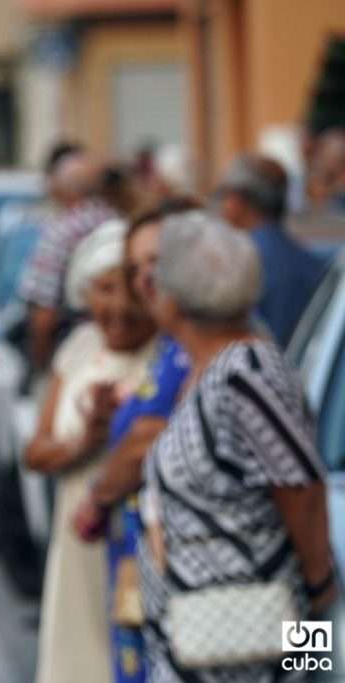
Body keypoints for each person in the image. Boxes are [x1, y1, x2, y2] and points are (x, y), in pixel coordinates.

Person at [138, 211, 336, 682]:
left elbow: (302, 487)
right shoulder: (206, 369)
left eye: (156, 274)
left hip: (255, 646)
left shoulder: (247, 369)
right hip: (201, 642)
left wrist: (320, 594)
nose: (147, 285)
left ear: (178, 297)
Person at [69, 196, 202, 683]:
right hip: (141, 566)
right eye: (136, 266)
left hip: (185, 576)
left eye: (157, 262)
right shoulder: (172, 342)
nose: (144, 278)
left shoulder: (202, 344)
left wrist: (98, 494)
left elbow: (153, 437)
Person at [24, 218, 157, 683]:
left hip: (142, 546)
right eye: (104, 288)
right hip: (77, 540)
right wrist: (87, 441)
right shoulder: (79, 347)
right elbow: (35, 452)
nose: (119, 306)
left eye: (131, 291)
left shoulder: (170, 356)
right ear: (86, 292)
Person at [20, 148, 119, 370]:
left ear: (60, 189)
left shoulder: (60, 233)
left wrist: (41, 362)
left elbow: (44, 314)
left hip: (72, 353)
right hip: (115, 351)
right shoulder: (116, 221)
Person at [217, 154, 328, 348]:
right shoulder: (309, 260)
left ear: (238, 199)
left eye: (223, 194)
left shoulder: (240, 264)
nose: (221, 206)